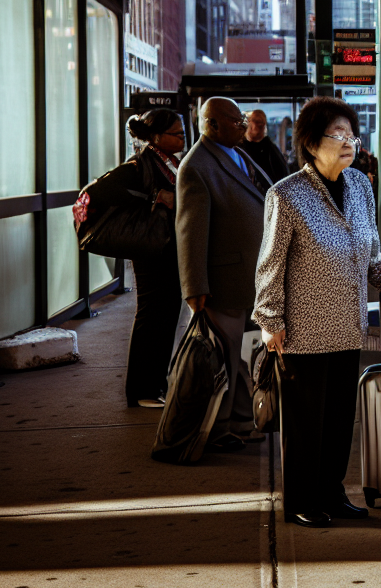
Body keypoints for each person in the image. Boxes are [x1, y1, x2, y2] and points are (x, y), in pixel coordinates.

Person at [253, 96, 381, 528]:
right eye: (337, 136)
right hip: (301, 334)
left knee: (340, 422)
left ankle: (332, 493)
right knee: (305, 426)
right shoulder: (285, 196)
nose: (348, 143)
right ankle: (303, 499)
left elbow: (371, 251)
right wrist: (270, 322)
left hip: (347, 327)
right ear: (310, 143)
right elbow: (270, 264)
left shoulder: (359, 185)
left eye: (351, 135)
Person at [175, 96, 270, 451]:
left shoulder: (237, 153)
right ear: (211, 124)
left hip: (249, 278)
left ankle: (242, 421)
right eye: (236, 121)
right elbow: (190, 231)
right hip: (221, 282)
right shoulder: (195, 166)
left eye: (243, 119)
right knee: (225, 359)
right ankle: (217, 429)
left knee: (245, 356)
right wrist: (195, 285)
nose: (243, 126)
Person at [110, 109, 186, 408]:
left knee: (166, 316)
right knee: (153, 316)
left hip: (166, 249)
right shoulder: (141, 162)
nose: (182, 137)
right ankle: (141, 390)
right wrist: (157, 196)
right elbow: (108, 191)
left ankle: (155, 384)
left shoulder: (167, 161)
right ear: (157, 136)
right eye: (176, 133)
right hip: (151, 251)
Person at [241, 109, 290, 184]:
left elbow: (282, 177)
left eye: (261, 122)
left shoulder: (271, 150)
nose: (259, 125)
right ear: (249, 123)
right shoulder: (239, 149)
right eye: (256, 121)